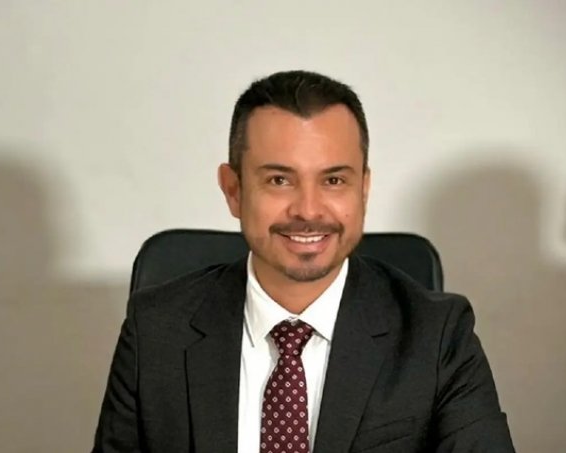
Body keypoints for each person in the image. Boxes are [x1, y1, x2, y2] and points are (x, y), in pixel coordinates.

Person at [92, 70, 515, 452]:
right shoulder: (155, 329)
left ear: (363, 189)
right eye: (279, 180)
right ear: (233, 190)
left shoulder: (438, 335)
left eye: (334, 180)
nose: (309, 210)